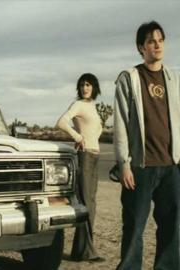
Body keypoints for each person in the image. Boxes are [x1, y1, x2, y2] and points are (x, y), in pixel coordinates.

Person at [114, 21, 180, 270]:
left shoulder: (175, 78)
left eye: (161, 40)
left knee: (172, 228)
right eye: (152, 41)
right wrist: (124, 164)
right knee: (134, 228)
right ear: (141, 47)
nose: (158, 45)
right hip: (140, 166)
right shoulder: (129, 78)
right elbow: (120, 121)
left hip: (171, 165)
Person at [56, 73, 104, 262]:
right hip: (85, 157)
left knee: (91, 203)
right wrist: (77, 137)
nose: (85, 88)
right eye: (82, 84)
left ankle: (81, 251)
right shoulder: (78, 104)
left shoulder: (92, 106)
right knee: (86, 204)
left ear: (94, 87)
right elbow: (61, 122)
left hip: (95, 156)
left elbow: (95, 130)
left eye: (89, 84)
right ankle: (86, 252)